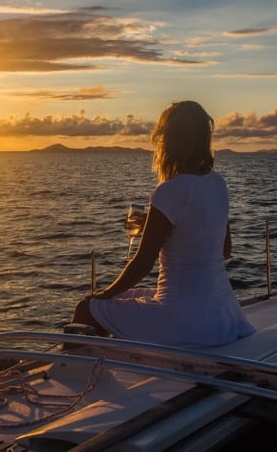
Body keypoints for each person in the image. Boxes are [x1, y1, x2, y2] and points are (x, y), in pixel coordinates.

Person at [71, 100, 255, 347]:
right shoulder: (218, 184)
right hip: (224, 314)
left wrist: (105, 294)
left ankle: (78, 375)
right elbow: (224, 249)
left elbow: (143, 264)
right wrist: (154, 223)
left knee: (87, 308)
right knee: (121, 299)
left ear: (170, 140)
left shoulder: (169, 191)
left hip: (182, 320)